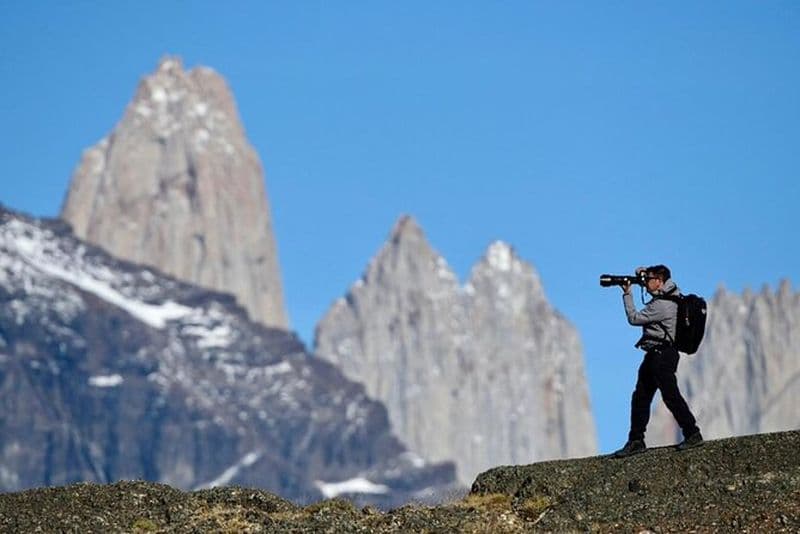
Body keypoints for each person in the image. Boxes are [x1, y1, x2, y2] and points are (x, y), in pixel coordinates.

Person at [613, 264, 703, 458]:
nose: (646, 283)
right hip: (655, 354)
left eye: (649, 279)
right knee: (641, 396)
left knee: (670, 395)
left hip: (663, 356)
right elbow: (651, 282)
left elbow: (634, 318)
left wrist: (627, 293)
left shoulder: (662, 305)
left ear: (660, 281)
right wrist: (641, 274)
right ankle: (636, 440)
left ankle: (692, 432)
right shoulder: (670, 295)